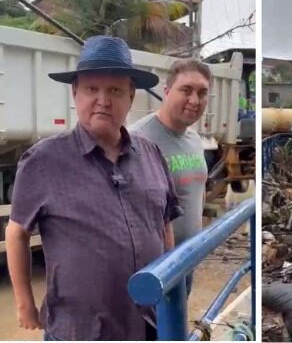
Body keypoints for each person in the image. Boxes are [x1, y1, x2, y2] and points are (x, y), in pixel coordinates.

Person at [5, 36, 182, 341]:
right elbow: (16, 232)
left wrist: (168, 285)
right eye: (91, 89)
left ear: (131, 96)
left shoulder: (152, 154)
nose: (103, 100)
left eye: (114, 90)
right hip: (79, 331)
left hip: (147, 325)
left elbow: (164, 224)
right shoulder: (43, 160)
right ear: (75, 94)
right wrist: (24, 304)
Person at [129, 59, 210, 295]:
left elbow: (197, 192)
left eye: (202, 93)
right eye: (186, 90)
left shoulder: (194, 139)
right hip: (154, 268)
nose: (194, 100)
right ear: (166, 92)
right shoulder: (137, 140)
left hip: (186, 260)